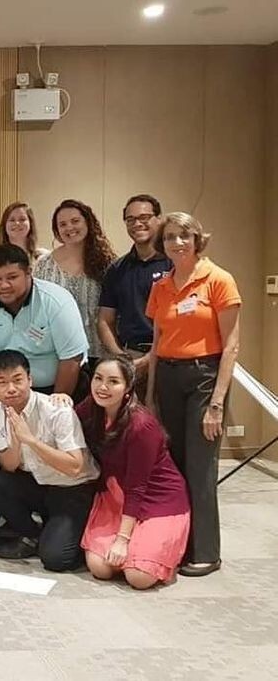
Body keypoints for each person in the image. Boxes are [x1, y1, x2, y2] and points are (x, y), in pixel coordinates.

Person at [145, 212, 240, 577]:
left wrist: (216, 403)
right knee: (175, 465)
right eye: (170, 236)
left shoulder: (218, 279)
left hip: (204, 377)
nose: (177, 242)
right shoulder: (161, 286)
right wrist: (151, 396)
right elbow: (157, 344)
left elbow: (232, 345)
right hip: (168, 377)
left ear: (198, 238)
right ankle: (177, 543)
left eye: (185, 235)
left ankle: (206, 551)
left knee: (200, 467)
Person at [77, 356, 190, 589]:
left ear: (128, 387)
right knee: (100, 568)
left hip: (158, 501)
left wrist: (122, 540)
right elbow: (66, 420)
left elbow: (138, 487)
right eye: (98, 378)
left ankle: (157, 553)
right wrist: (58, 402)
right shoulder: (92, 407)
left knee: (138, 577)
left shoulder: (141, 425)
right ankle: (137, 552)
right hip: (116, 497)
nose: (103, 387)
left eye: (113, 381)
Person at [0, 350, 99, 571]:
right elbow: (8, 465)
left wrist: (31, 440)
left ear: (30, 380)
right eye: (2, 382)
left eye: (18, 380)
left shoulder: (56, 410)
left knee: (55, 559)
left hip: (73, 489)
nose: (11, 388)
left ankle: (73, 533)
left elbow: (76, 466)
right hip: (39, 484)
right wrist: (16, 438)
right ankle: (32, 535)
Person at [0, 244, 89, 401]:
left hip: (55, 391)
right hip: (5, 392)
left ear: (28, 273)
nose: (4, 285)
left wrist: (53, 408)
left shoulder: (57, 301)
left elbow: (72, 359)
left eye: (12, 277)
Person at [97, 195, 171, 385]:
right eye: (130, 220)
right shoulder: (117, 270)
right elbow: (105, 320)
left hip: (169, 357)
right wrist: (121, 358)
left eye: (144, 217)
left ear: (159, 219)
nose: (137, 224)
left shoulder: (174, 264)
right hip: (130, 358)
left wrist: (150, 357)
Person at [34, 199, 117, 364]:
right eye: (62, 224)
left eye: (75, 221)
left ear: (88, 222)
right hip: (57, 352)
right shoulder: (44, 264)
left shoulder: (107, 262)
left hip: (98, 352)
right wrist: (35, 345)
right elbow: (35, 312)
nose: (69, 228)